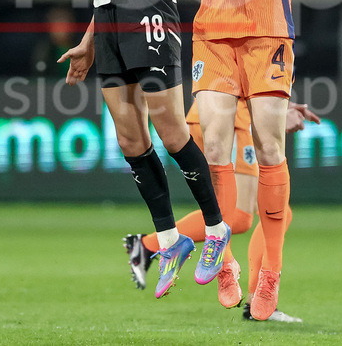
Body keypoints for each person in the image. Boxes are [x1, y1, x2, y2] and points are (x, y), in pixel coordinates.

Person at [58, 0, 231, 300]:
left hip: (149, 6)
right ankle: (172, 238)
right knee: (129, 137)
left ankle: (216, 230)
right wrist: (90, 42)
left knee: (169, 125)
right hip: (111, 14)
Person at [177, 0, 295, 321]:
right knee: (216, 146)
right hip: (213, 36)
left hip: (267, 33)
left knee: (269, 144)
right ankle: (223, 262)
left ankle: (270, 274)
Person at [124, 98, 319, 323]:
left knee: (277, 211)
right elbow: (245, 73)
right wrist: (275, 113)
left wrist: (281, 105)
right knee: (242, 216)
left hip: (221, 114)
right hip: (230, 119)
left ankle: (257, 301)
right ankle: (147, 245)